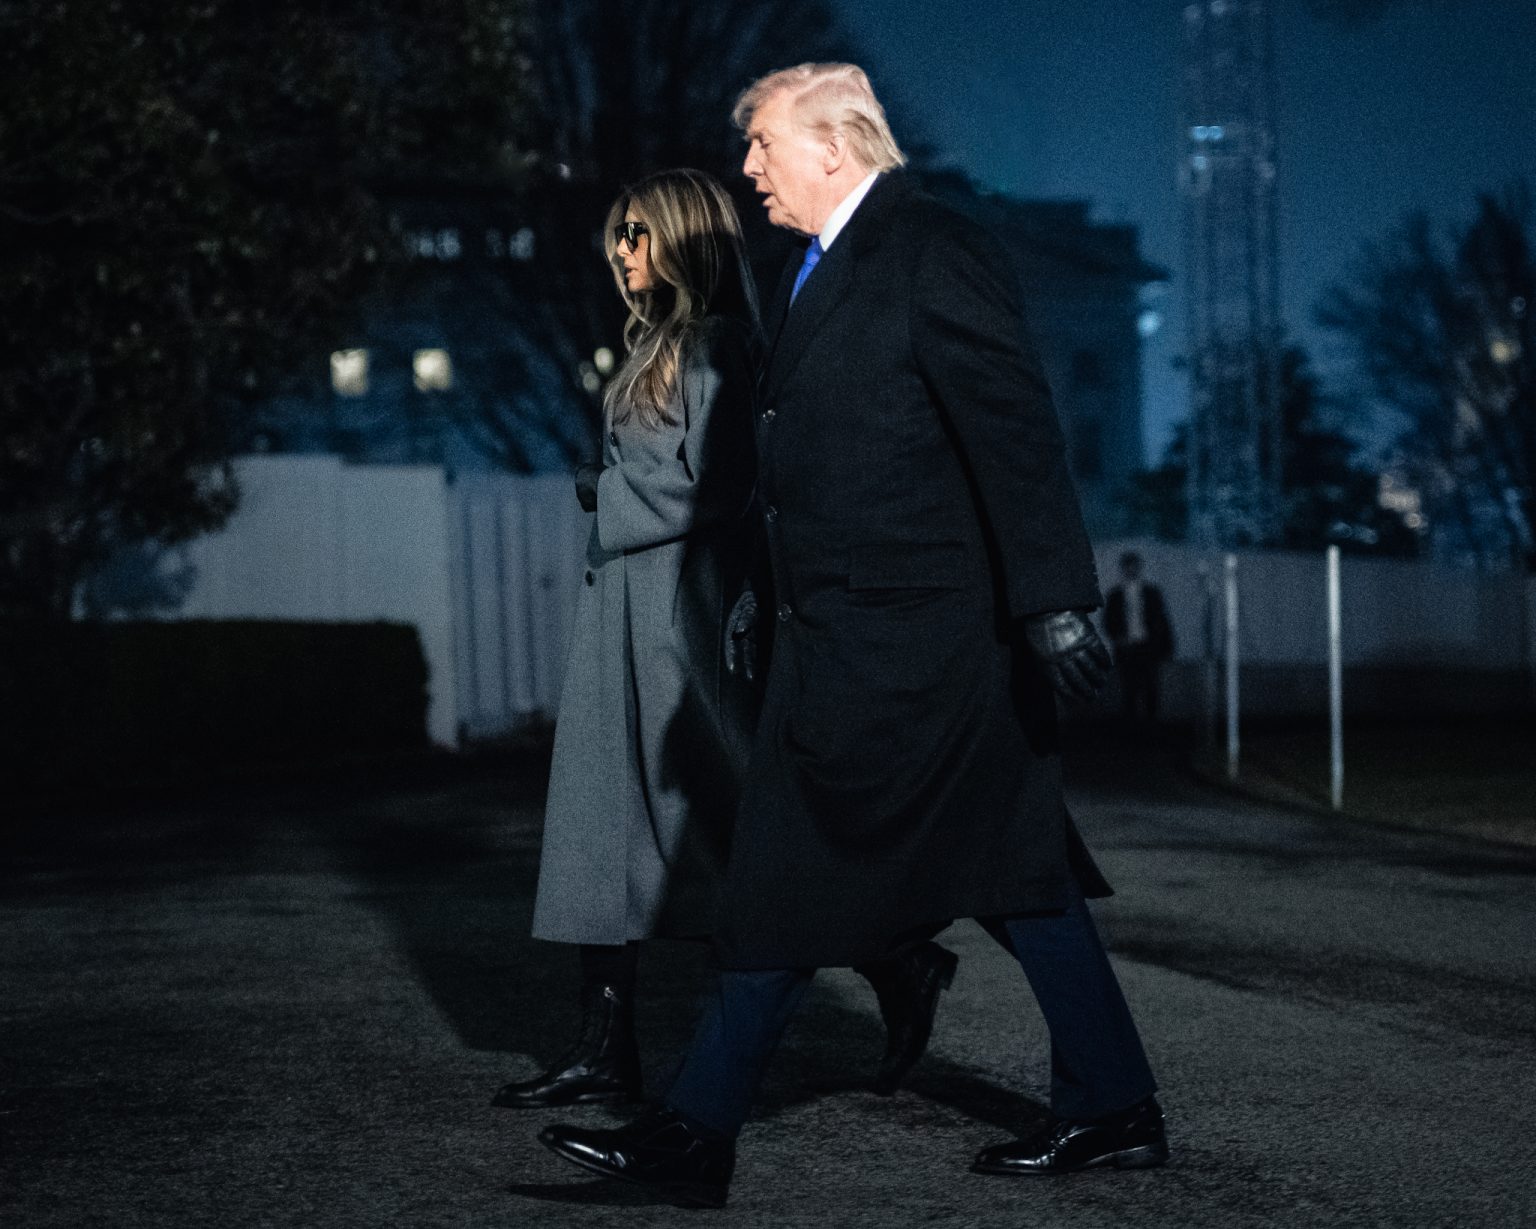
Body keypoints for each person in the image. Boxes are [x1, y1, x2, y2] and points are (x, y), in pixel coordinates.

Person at [535, 65, 1169, 1209]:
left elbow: (1014, 428)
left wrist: (1054, 600)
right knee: (1017, 877)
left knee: (783, 874)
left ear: (833, 144)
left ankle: (693, 1129)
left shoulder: (933, 248)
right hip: (851, 633)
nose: (749, 168)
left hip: (915, 643)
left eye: (765, 144)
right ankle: (1113, 1103)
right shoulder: (812, 268)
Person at [493, 167, 955, 1113]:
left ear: (683, 240)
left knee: (724, 835)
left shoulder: (717, 347)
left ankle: (894, 959)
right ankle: (604, 1047)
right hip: (623, 616)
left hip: (678, 623)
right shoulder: (659, 346)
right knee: (604, 838)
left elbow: (726, 485)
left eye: (640, 236)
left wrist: (604, 490)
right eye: (617, 239)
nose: (623, 257)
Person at [1104, 551, 1175, 722]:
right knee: (1129, 689)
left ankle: (1150, 728)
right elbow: (1108, 622)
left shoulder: (1151, 592)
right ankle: (1132, 730)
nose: (1131, 570)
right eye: (1128, 566)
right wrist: (1119, 639)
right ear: (1123, 569)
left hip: (1148, 647)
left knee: (1151, 688)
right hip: (1126, 648)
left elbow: (1162, 621)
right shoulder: (1115, 595)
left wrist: (1166, 647)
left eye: (1134, 566)